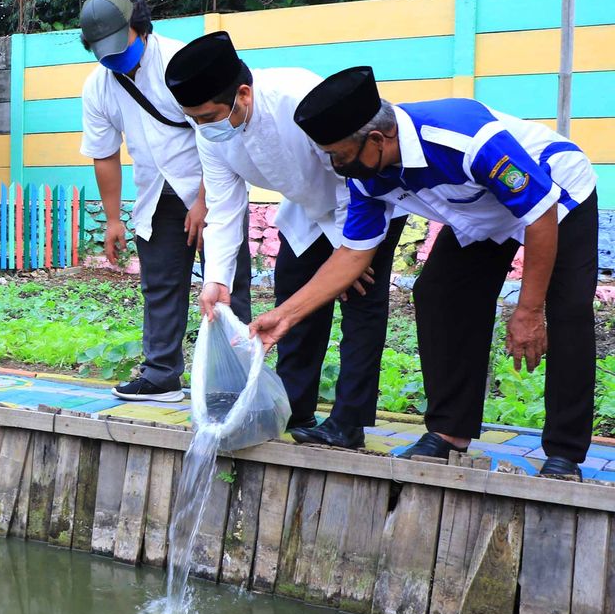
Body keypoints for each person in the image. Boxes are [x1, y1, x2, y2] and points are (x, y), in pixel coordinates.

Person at [252, 66, 598, 478]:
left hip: (556, 196)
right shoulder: (366, 174)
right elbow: (352, 254)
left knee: (568, 312)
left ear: (378, 139)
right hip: (481, 213)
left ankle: (564, 453)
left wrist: (527, 309)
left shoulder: (465, 138)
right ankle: (449, 433)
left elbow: (539, 216)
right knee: (438, 292)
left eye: (339, 155)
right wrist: (284, 317)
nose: (334, 166)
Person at [163, 32, 406, 449]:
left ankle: (349, 422)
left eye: (207, 116)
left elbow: (354, 177)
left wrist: (350, 258)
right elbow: (223, 204)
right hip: (306, 210)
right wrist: (216, 279)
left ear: (243, 94)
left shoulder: (298, 98)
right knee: (293, 299)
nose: (201, 127)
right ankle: (297, 407)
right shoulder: (210, 131)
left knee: (360, 306)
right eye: (193, 119)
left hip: (365, 203)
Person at [78, 0, 251, 403]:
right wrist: (114, 219)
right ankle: (161, 375)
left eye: (120, 48)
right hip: (156, 196)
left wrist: (204, 203)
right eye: (103, 53)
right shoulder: (98, 86)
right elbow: (104, 154)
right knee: (160, 286)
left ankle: (235, 380)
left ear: (140, 30)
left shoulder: (180, 64)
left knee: (227, 283)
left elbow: (216, 134)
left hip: (214, 186)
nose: (113, 60)